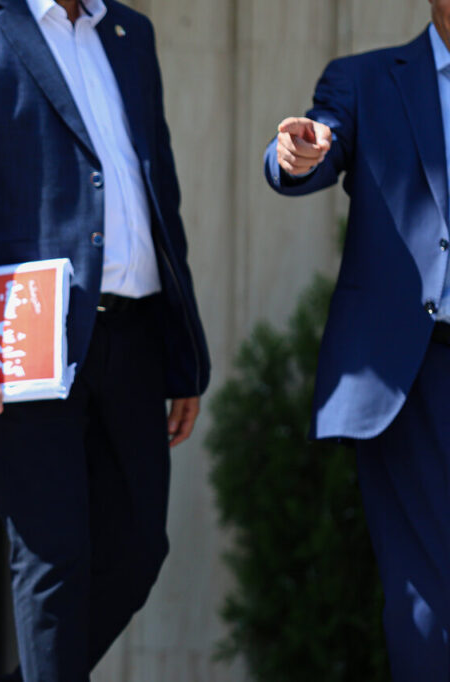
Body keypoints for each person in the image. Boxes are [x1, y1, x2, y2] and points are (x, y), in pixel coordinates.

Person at [0, 0, 211, 679]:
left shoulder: (130, 32)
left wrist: (181, 351)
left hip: (135, 333)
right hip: (26, 338)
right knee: (54, 556)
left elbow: (158, 196)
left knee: (137, 551)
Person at [263, 2, 450, 679]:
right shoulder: (366, 80)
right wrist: (296, 151)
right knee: (426, 603)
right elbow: (314, 144)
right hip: (412, 375)